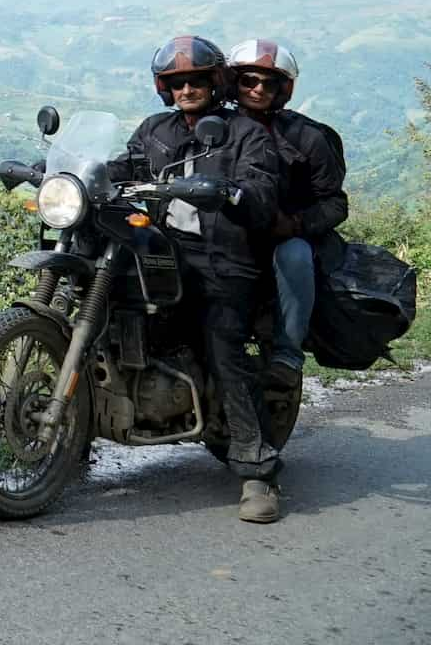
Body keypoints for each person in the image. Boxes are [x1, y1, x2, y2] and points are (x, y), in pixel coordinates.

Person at [116, 35, 285, 523]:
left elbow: (261, 193)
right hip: (165, 254)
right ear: (164, 88)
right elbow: (125, 165)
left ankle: (258, 472)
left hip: (223, 260)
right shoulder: (155, 129)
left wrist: (228, 192)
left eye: (196, 80)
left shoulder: (245, 133)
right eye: (177, 82)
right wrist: (70, 172)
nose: (187, 88)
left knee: (223, 347)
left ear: (216, 82)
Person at [226, 38, 348, 392]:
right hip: (224, 235)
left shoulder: (308, 137)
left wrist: (294, 224)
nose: (258, 88)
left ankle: (288, 355)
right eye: (249, 80)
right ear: (234, 81)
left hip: (281, 238)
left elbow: (335, 203)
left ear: (285, 88)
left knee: (294, 255)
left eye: (269, 82)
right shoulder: (213, 127)